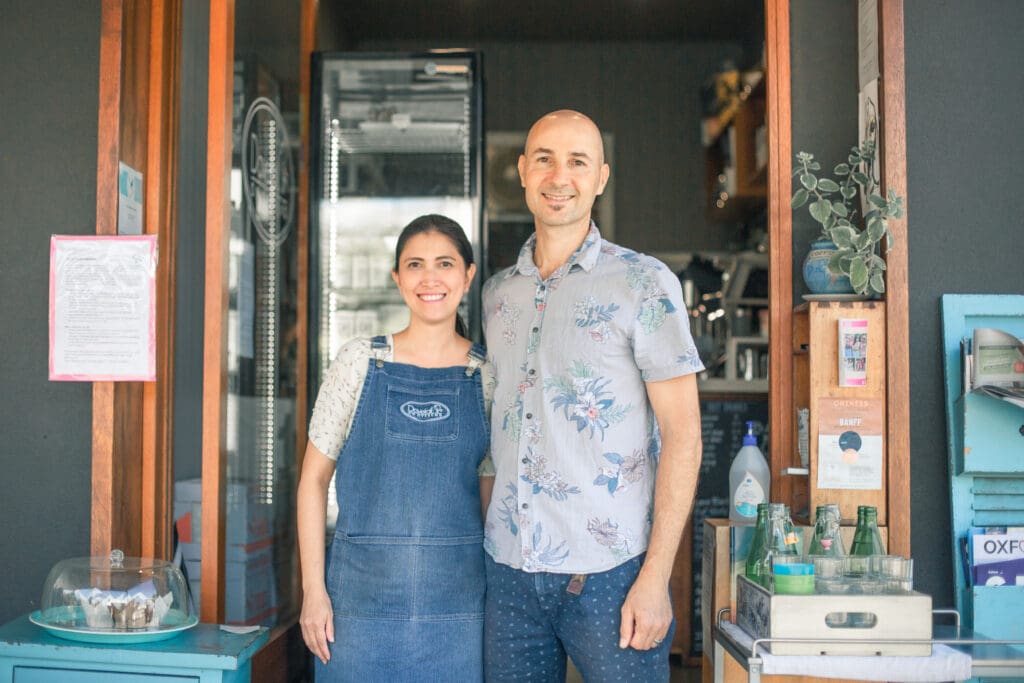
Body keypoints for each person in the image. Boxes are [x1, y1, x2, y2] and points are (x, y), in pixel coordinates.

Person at [481, 110, 704, 682]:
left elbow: (684, 439)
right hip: (508, 572)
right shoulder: (496, 295)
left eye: (577, 161)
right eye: (545, 159)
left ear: (601, 177)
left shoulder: (644, 284)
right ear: (523, 171)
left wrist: (656, 578)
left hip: (611, 574)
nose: (560, 176)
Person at [298, 214, 495, 681]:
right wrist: (313, 591)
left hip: (461, 611)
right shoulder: (358, 362)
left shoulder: (489, 375)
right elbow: (312, 482)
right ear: (397, 278)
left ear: (468, 275)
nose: (430, 278)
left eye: (445, 263)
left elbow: (491, 500)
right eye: (415, 265)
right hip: (355, 609)